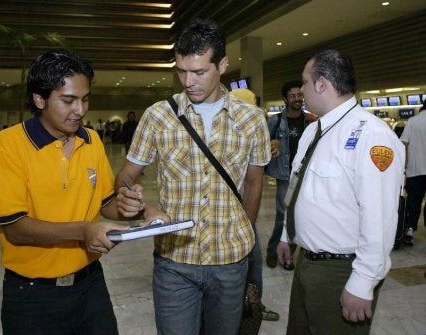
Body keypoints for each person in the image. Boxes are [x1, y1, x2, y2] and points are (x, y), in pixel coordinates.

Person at [0, 49, 162, 335]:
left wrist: (131, 207)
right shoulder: (9, 145)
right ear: (39, 99)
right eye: (68, 100)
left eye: (85, 98)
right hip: (32, 297)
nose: (80, 110)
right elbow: (15, 228)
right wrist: (83, 231)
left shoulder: (90, 140)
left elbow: (106, 203)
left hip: (90, 287)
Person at [115, 18, 271, 335]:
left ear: (223, 64)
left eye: (199, 72)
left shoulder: (252, 119)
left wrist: (246, 232)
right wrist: (142, 207)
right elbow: (126, 176)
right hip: (174, 261)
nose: (189, 81)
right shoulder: (159, 115)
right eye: (182, 71)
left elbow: (255, 182)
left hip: (230, 260)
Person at [276, 49, 405, 335]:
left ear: (321, 84)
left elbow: (380, 218)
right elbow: (299, 190)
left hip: (341, 271)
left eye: (305, 83)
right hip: (306, 263)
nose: (301, 90)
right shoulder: (314, 131)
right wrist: (288, 235)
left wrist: (362, 282)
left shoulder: (372, 136)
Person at [229, 88, 279, 322]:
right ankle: (248, 307)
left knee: (249, 262)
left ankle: (248, 306)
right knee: (250, 261)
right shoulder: (239, 134)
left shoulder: (244, 133)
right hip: (238, 212)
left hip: (239, 212)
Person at [265, 80, 316, 270]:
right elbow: (261, 145)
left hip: (304, 175)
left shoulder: (311, 120)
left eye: (299, 95)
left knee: (300, 215)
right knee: (282, 215)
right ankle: (272, 251)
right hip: (285, 175)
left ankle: (288, 255)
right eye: (292, 96)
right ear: (285, 99)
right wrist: (273, 143)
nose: (297, 99)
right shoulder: (275, 121)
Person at [400, 100, 426, 246]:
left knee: (414, 202)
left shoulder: (413, 121)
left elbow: (404, 143)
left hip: (415, 170)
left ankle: (409, 229)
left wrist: (404, 166)